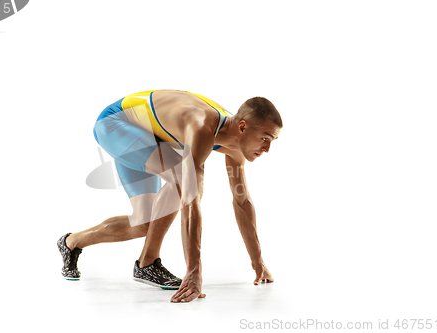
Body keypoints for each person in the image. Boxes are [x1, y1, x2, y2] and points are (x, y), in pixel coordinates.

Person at [57, 89, 281, 303]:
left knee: (144, 223)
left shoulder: (235, 146)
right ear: (243, 127)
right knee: (182, 179)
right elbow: (190, 200)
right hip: (116, 124)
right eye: (265, 138)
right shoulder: (202, 125)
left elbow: (242, 201)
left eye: (273, 140)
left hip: (148, 134)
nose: (268, 148)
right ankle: (147, 263)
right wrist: (193, 274)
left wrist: (258, 263)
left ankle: (71, 242)